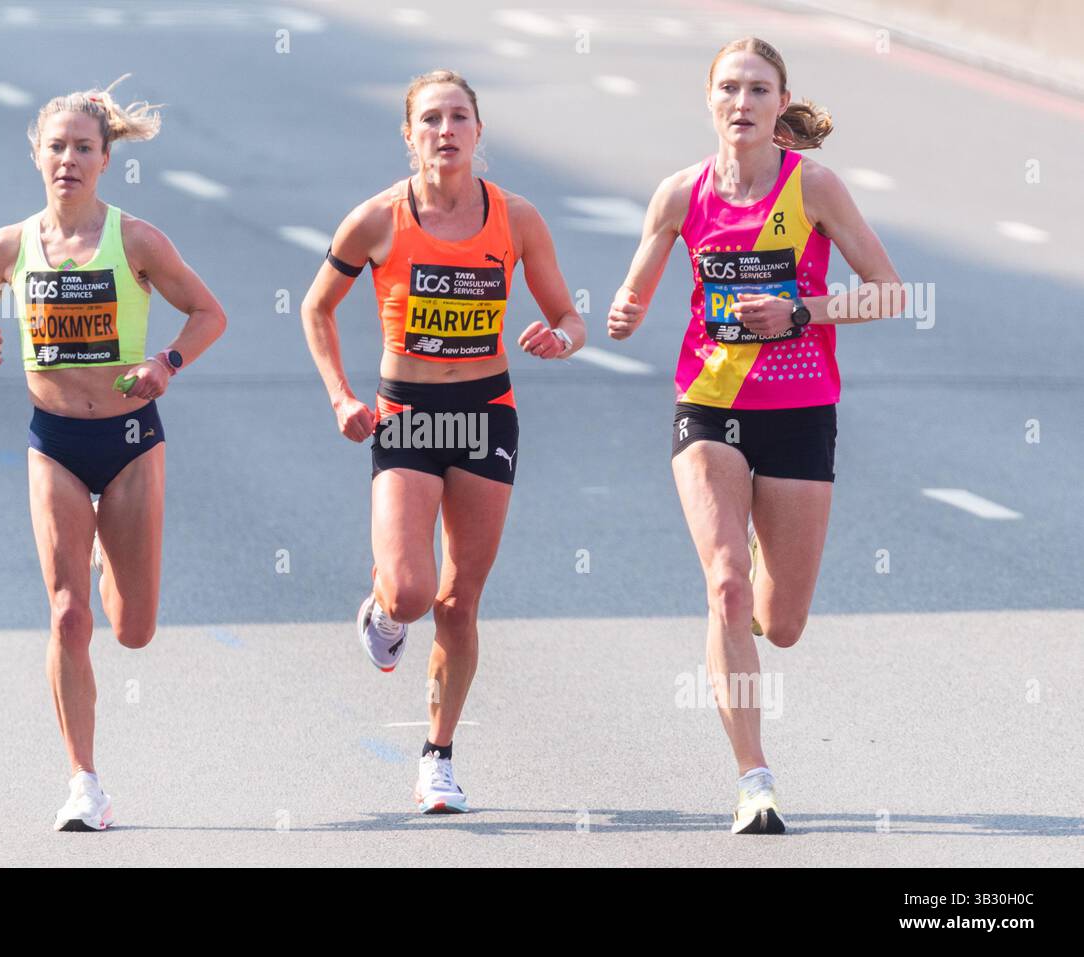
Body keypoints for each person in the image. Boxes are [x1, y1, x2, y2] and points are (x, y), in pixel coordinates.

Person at [607, 38, 904, 834]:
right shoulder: (679, 194)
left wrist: (802, 311)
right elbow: (634, 294)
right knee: (727, 584)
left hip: (801, 409)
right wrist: (622, 315)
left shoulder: (814, 186)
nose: (743, 102)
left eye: (759, 89)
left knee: (784, 619)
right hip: (707, 405)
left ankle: (761, 586)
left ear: (782, 105)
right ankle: (754, 778)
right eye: (730, 88)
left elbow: (889, 294)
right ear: (710, 101)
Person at [301, 69, 585, 813]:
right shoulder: (377, 221)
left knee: (459, 603)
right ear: (409, 134)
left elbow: (570, 315)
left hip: (486, 412)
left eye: (459, 117)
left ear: (479, 132)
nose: (445, 131)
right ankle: (384, 608)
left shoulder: (516, 218)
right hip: (408, 415)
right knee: (413, 590)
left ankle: (437, 757)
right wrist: (340, 396)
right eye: (430, 119)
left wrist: (560, 337)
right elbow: (316, 309)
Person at [0, 76, 227, 831]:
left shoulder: (135, 239)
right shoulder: (6, 246)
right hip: (57, 444)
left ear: (107, 159)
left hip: (131, 443)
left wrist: (166, 363)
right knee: (69, 616)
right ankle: (84, 782)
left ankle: (113, 558)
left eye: (82, 147)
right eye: (56, 146)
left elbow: (209, 312)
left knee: (132, 628)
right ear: (35, 155)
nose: (67, 159)